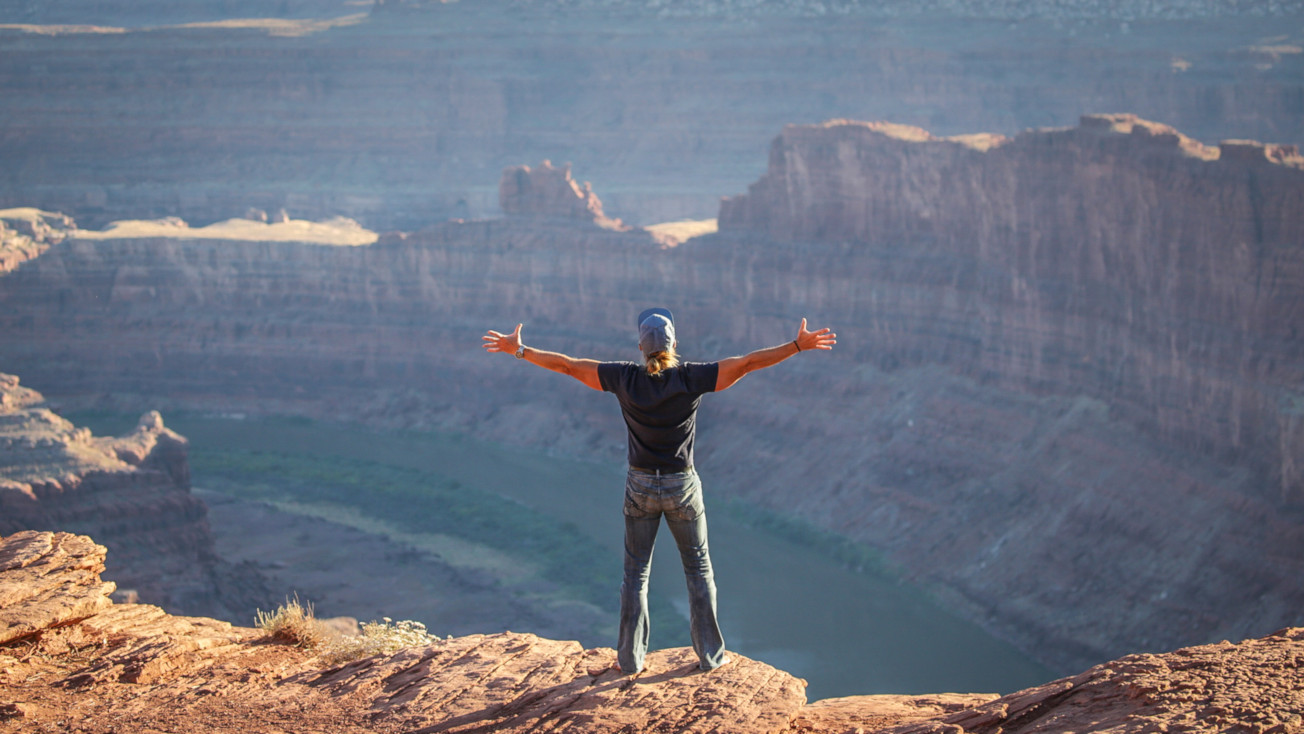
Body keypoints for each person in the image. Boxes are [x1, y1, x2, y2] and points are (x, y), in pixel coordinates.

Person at [482, 308, 836, 674]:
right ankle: (711, 658)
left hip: (639, 486)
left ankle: (630, 660)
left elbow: (569, 366)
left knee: (635, 575)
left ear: (640, 346)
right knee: (698, 569)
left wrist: (520, 350)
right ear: (674, 345)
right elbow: (746, 364)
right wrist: (797, 346)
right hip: (682, 484)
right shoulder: (692, 377)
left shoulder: (622, 377)